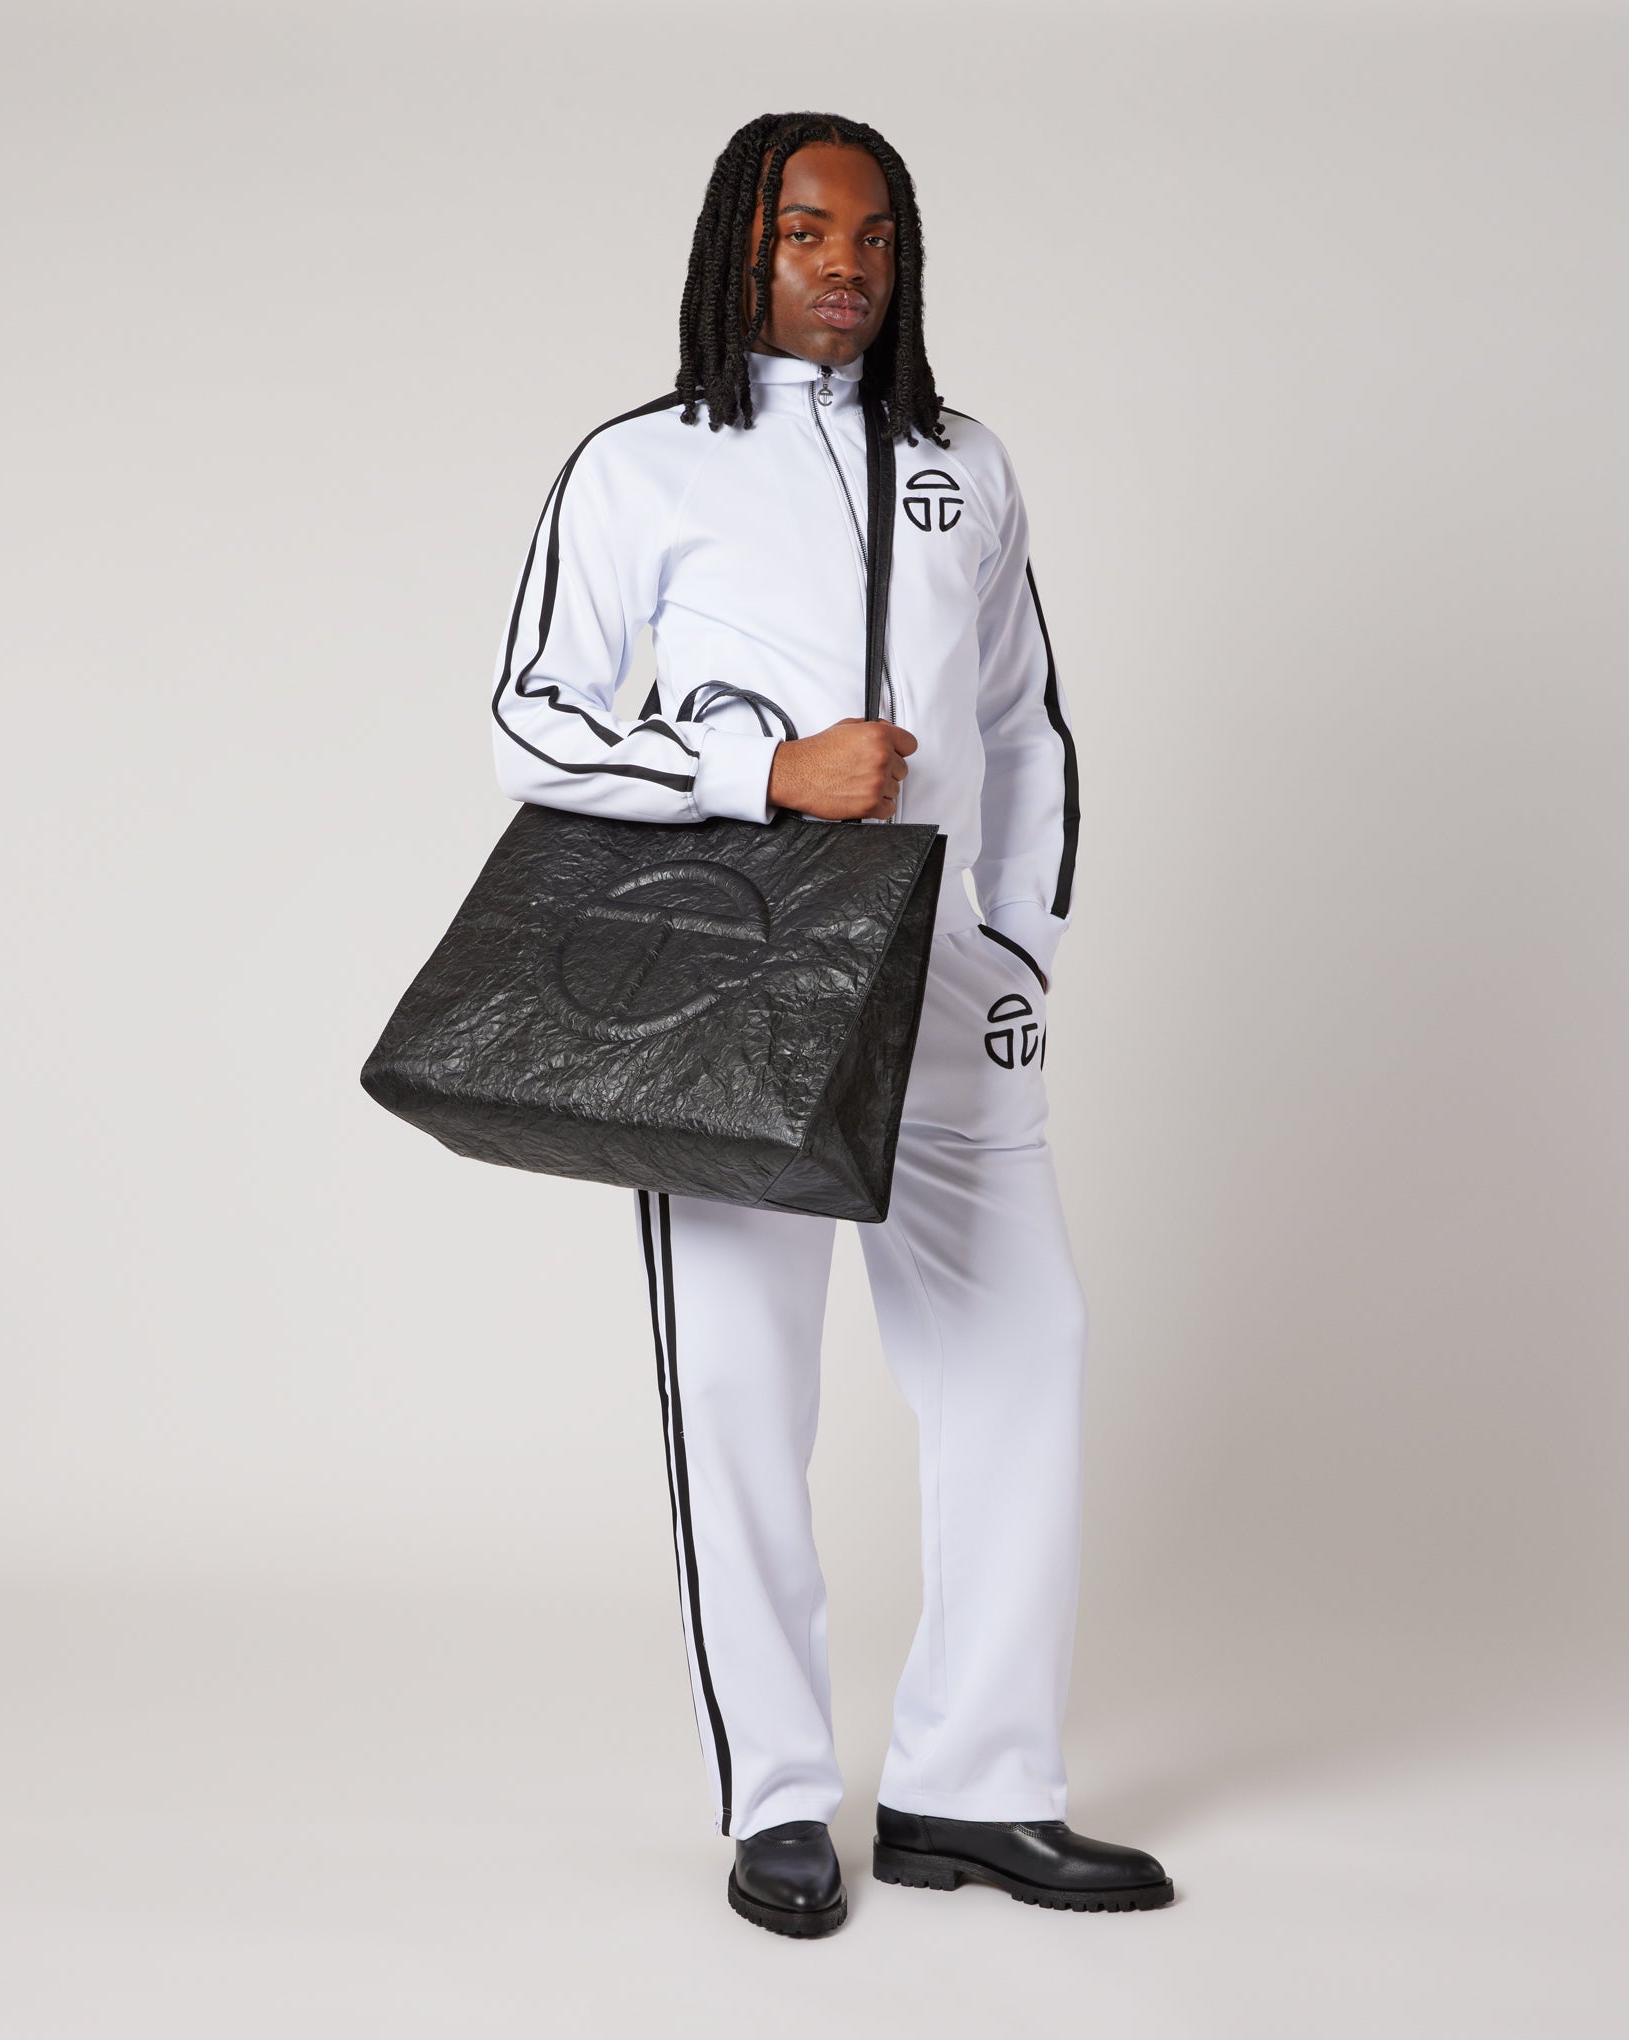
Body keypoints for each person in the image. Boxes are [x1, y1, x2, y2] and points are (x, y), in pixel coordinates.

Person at [489, 111, 1171, 1936]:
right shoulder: (642, 465)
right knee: (741, 1388)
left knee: (1024, 1354)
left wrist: (1020, 951)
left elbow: (1022, 724)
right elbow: (532, 716)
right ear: (741, 246)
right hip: (738, 982)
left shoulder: (966, 461)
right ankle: (781, 1796)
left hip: (945, 983)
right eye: (806, 231)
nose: (845, 264)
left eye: (873, 236)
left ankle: (974, 1786)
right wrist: (762, 769)